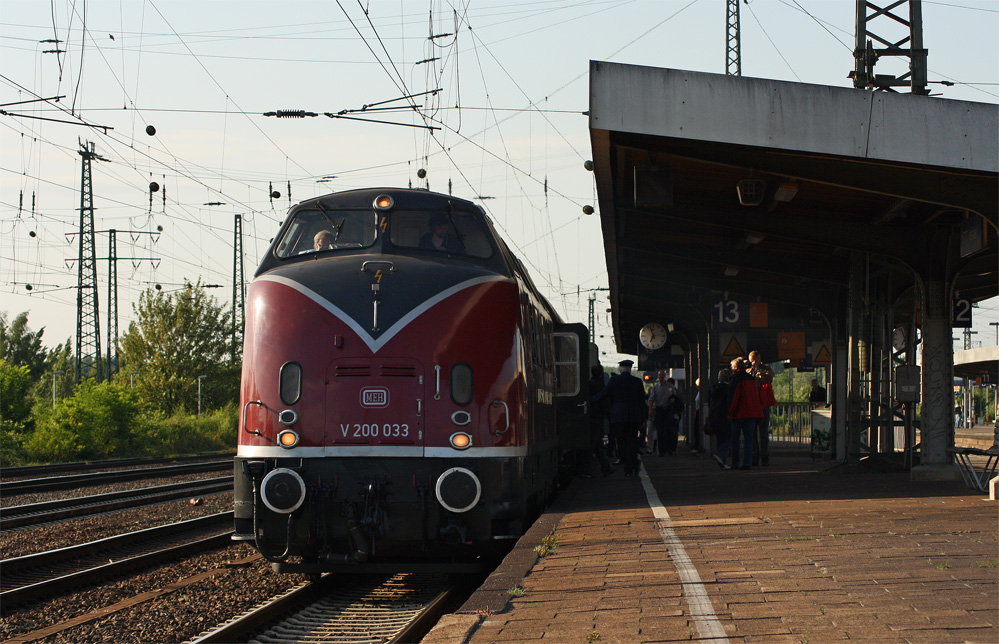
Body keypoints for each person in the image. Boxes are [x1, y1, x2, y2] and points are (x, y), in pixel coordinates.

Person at [594, 359, 648, 477]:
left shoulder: (614, 380)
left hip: (619, 417)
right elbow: (642, 401)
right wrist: (643, 418)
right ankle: (631, 466)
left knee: (621, 441)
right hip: (634, 417)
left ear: (620, 369)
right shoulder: (637, 382)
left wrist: (592, 399)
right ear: (630, 369)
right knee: (632, 441)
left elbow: (604, 394)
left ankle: (626, 464)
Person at [728, 357, 763, 470]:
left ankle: (735, 463)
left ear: (735, 367)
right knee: (749, 439)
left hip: (738, 414)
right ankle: (747, 463)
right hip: (751, 414)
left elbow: (734, 398)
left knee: (735, 440)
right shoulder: (751, 379)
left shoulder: (735, 379)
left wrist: (730, 413)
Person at [748, 350, 776, 466]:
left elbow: (770, 378)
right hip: (753, 406)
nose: (753, 363)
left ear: (759, 359)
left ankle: (764, 457)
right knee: (752, 433)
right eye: (751, 361)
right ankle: (754, 456)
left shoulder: (766, 369)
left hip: (763, 405)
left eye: (754, 360)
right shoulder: (748, 371)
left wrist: (760, 373)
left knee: (763, 433)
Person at [587, 365, 614, 477]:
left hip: (591, 416)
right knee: (593, 444)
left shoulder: (589, 384)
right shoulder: (600, 386)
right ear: (601, 373)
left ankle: (605, 468)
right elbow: (605, 403)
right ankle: (587, 470)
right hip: (597, 417)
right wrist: (610, 416)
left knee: (597, 445)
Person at [708, 368, 733, 469]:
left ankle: (723, 462)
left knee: (720, 439)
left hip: (714, 416)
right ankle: (719, 454)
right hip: (725, 416)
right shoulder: (728, 389)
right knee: (728, 438)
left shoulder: (713, 387)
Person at [647, 370, 673, 456]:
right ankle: (661, 451)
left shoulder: (670, 386)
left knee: (668, 430)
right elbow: (651, 399)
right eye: (660, 375)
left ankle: (669, 449)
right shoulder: (655, 387)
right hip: (659, 410)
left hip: (668, 409)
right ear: (658, 377)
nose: (661, 376)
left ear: (665, 376)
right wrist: (650, 410)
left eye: (663, 375)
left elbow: (674, 396)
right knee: (660, 431)